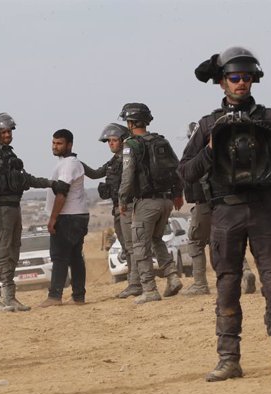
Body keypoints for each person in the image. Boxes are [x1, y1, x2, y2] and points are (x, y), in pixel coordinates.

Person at [179, 46, 271, 381]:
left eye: (246, 77)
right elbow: (186, 172)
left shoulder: (270, 118)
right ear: (222, 82)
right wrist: (210, 149)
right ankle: (228, 359)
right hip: (226, 214)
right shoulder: (209, 124)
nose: (241, 83)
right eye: (234, 77)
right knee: (227, 286)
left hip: (264, 213)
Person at [0, 112, 68, 313]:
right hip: (0, 209)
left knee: (13, 251)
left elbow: (26, 179)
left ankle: (9, 297)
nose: (8, 134)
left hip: (14, 207)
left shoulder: (9, 155)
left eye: (9, 131)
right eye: (4, 131)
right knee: (0, 252)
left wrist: (51, 184)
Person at [118, 103, 184, 305]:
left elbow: (128, 176)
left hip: (145, 203)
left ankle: (149, 289)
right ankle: (172, 277)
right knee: (157, 240)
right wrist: (177, 194)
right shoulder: (161, 141)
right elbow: (177, 168)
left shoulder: (131, 144)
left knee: (140, 246)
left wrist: (122, 199)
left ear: (130, 122)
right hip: (166, 201)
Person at [182, 122, 257, 296]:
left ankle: (200, 284)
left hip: (205, 206)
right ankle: (245, 272)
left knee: (195, 242)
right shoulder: (227, 153)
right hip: (228, 205)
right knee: (229, 241)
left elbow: (190, 180)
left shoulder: (198, 157)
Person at [83, 123, 142, 298]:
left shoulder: (127, 158)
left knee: (131, 247)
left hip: (128, 206)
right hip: (117, 207)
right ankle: (134, 282)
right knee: (126, 246)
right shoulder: (113, 161)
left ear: (123, 140)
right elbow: (95, 174)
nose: (110, 143)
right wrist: (77, 163)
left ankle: (135, 283)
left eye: (114, 140)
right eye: (109, 141)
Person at [38, 129, 89, 307]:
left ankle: (54, 296)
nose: (55, 146)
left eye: (59, 143)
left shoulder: (68, 164)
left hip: (68, 217)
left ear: (69, 145)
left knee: (59, 257)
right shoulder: (68, 163)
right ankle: (78, 296)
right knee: (75, 256)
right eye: (53, 143)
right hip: (77, 215)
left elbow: (62, 193)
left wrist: (53, 218)